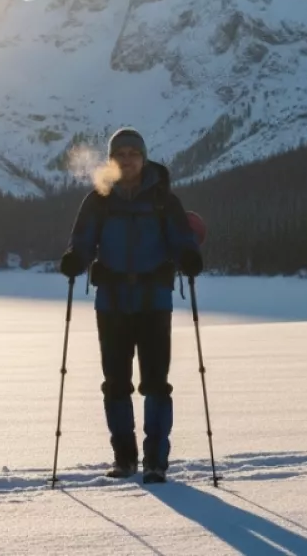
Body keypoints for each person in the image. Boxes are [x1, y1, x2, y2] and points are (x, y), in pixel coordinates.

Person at [59, 127, 203, 484]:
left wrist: (188, 256)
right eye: (120, 154)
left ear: (143, 157)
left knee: (156, 383)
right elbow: (83, 240)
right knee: (116, 384)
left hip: (154, 302)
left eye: (133, 154)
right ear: (112, 159)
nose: (127, 160)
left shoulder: (163, 200)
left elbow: (181, 238)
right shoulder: (99, 200)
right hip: (112, 303)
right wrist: (75, 258)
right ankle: (124, 459)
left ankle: (156, 461)